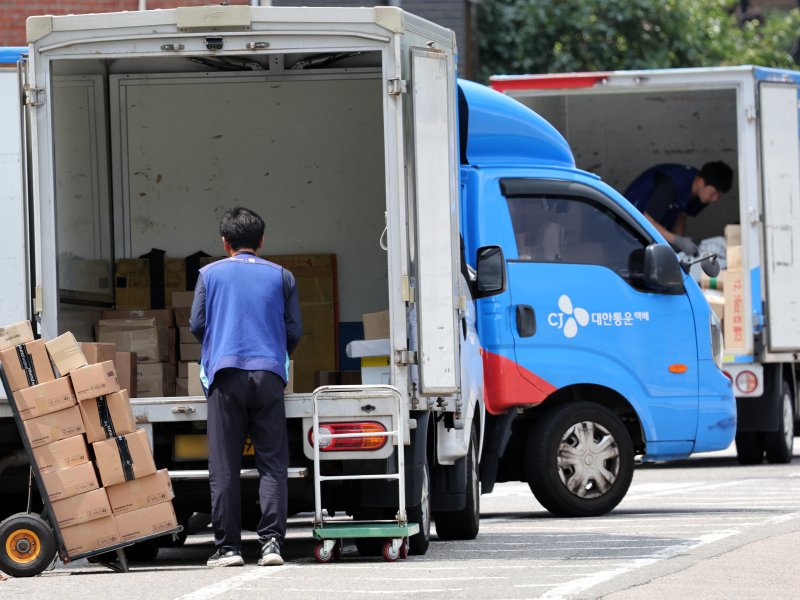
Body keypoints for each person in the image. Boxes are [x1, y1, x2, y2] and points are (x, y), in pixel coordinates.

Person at [190, 207, 302, 568]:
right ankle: (271, 545)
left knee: (224, 466)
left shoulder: (209, 275)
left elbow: (197, 324)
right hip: (269, 375)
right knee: (272, 463)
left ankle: (229, 549)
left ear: (225, 242)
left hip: (225, 375)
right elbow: (294, 330)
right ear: (262, 241)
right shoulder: (282, 276)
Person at [624, 161, 733, 256]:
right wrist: (677, 240)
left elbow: (682, 214)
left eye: (719, 195)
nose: (715, 199)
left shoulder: (700, 193)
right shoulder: (672, 183)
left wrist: (680, 246)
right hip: (627, 224)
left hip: (650, 227)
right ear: (701, 182)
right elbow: (647, 220)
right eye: (714, 192)